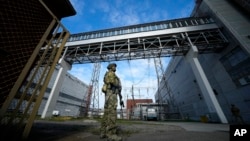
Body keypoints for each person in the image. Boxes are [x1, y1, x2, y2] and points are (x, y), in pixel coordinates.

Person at [100, 63, 123, 141]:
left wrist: (121, 98)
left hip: (108, 96)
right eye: (114, 66)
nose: (115, 67)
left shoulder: (108, 74)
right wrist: (119, 85)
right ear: (110, 67)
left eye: (115, 66)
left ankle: (103, 133)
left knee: (106, 114)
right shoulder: (111, 74)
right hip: (112, 96)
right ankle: (111, 134)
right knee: (112, 113)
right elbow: (114, 83)